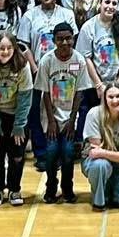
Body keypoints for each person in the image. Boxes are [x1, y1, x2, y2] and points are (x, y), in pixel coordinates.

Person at [35, 22, 93, 203]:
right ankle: (51, 187)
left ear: (73, 39)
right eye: (60, 39)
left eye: (68, 38)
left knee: (68, 153)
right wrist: (51, 121)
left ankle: (67, 188)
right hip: (51, 116)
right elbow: (44, 93)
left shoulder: (79, 60)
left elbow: (79, 92)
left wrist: (72, 119)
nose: (65, 42)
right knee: (51, 153)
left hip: (70, 117)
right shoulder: (46, 61)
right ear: (54, 40)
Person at [0, 34, 34, 207]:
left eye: (9, 48)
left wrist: (19, 125)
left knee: (17, 155)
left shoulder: (22, 66)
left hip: (17, 116)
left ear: (14, 49)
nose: (5, 52)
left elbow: (25, 98)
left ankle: (14, 189)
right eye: (1, 48)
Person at [82, 84, 119, 210]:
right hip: (97, 163)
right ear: (104, 99)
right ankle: (99, 201)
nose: (115, 100)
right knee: (101, 165)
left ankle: (109, 188)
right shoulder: (94, 114)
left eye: (118, 96)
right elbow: (95, 153)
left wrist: (105, 152)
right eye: (110, 97)